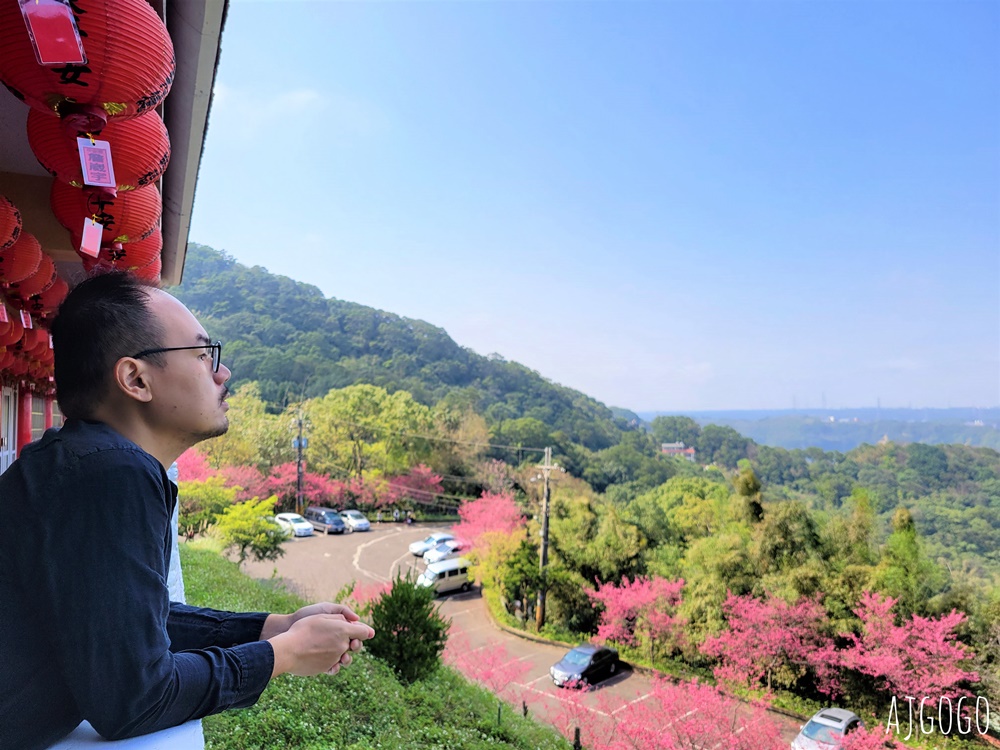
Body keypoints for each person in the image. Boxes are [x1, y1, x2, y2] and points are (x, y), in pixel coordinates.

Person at [0, 272, 375, 750]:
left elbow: (124, 620)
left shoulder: (83, 462)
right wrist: (281, 655)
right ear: (135, 378)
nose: (222, 373)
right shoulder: (110, 473)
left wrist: (270, 628)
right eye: (202, 355)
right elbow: (135, 699)